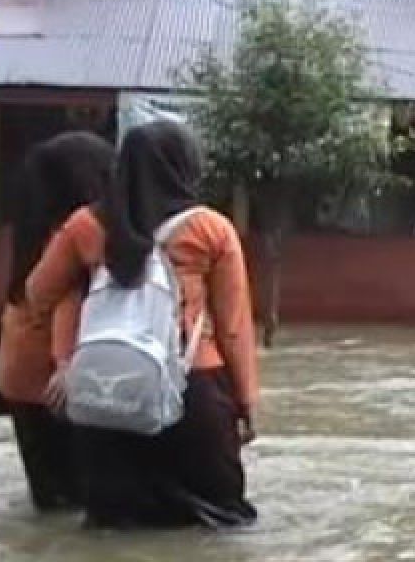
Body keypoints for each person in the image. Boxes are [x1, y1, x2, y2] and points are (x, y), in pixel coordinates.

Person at [26, 120, 259, 528]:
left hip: (104, 395)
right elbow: (234, 327)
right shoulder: (210, 229)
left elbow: (38, 293)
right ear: (185, 166)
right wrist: (246, 402)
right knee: (219, 527)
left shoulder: (85, 226)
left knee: (115, 530)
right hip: (193, 392)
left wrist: (67, 352)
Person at [0, 132, 115, 510]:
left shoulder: (30, 230)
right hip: (53, 379)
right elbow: (70, 298)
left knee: (49, 501)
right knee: (81, 504)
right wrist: (66, 364)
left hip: (17, 373)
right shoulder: (79, 231)